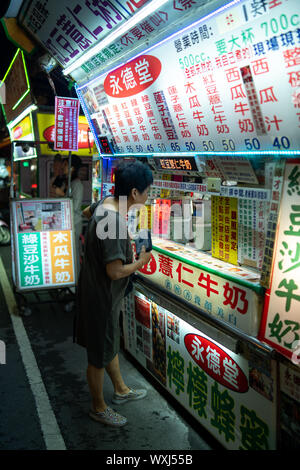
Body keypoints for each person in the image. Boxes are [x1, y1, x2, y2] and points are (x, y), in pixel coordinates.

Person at [75, 160, 153, 427]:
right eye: (147, 191)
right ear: (134, 194)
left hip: (100, 293)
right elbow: (116, 272)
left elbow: (87, 213)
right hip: (102, 296)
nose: (148, 196)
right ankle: (98, 407)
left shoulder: (105, 203)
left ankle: (120, 389)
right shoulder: (113, 221)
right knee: (98, 354)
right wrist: (141, 262)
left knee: (109, 342)